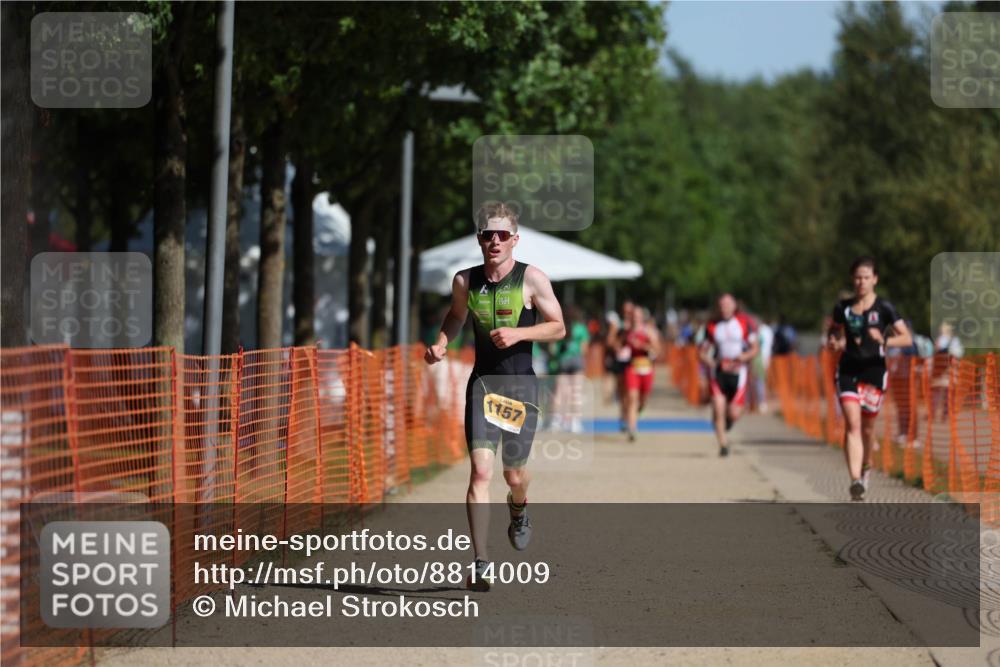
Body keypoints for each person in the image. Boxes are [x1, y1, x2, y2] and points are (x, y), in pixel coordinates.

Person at [424, 202, 565, 591]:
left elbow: (558, 328)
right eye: (489, 234)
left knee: (512, 474)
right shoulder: (465, 281)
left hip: (520, 388)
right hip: (483, 385)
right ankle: (481, 561)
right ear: (479, 240)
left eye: (503, 234)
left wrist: (520, 334)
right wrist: (440, 343)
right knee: (480, 473)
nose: (495, 241)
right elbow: (455, 317)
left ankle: (519, 507)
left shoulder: (532, 279)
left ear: (515, 240)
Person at [826, 256, 912, 501]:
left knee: (867, 429)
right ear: (852, 280)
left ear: (874, 279)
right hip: (848, 369)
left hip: (874, 371)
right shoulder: (842, 307)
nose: (861, 282)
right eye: (857, 277)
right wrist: (833, 341)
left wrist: (884, 340)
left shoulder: (884, 308)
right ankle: (855, 480)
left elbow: (907, 338)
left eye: (866, 277)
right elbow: (833, 332)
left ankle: (865, 469)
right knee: (852, 422)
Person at [699, 294, 759, 457]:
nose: (724, 308)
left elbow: (755, 348)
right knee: (718, 407)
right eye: (721, 305)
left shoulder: (745, 323)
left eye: (727, 304)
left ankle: (729, 420)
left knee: (733, 412)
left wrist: (743, 357)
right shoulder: (711, 326)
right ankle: (723, 445)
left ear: (734, 306)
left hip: (739, 373)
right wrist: (710, 361)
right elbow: (702, 352)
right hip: (718, 373)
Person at [613, 306, 661, 442]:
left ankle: (640, 410)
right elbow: (618, 344)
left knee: (643, 399)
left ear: (642, 317)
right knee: (632, 397)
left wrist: (642, 345)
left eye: (638, 315)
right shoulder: (627, 332)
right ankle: (632, 430)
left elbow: (657, 349)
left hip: (646, 367)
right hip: (632, 367)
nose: (635, 318)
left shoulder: (649, 331)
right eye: (633, 315)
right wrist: (618, 348)